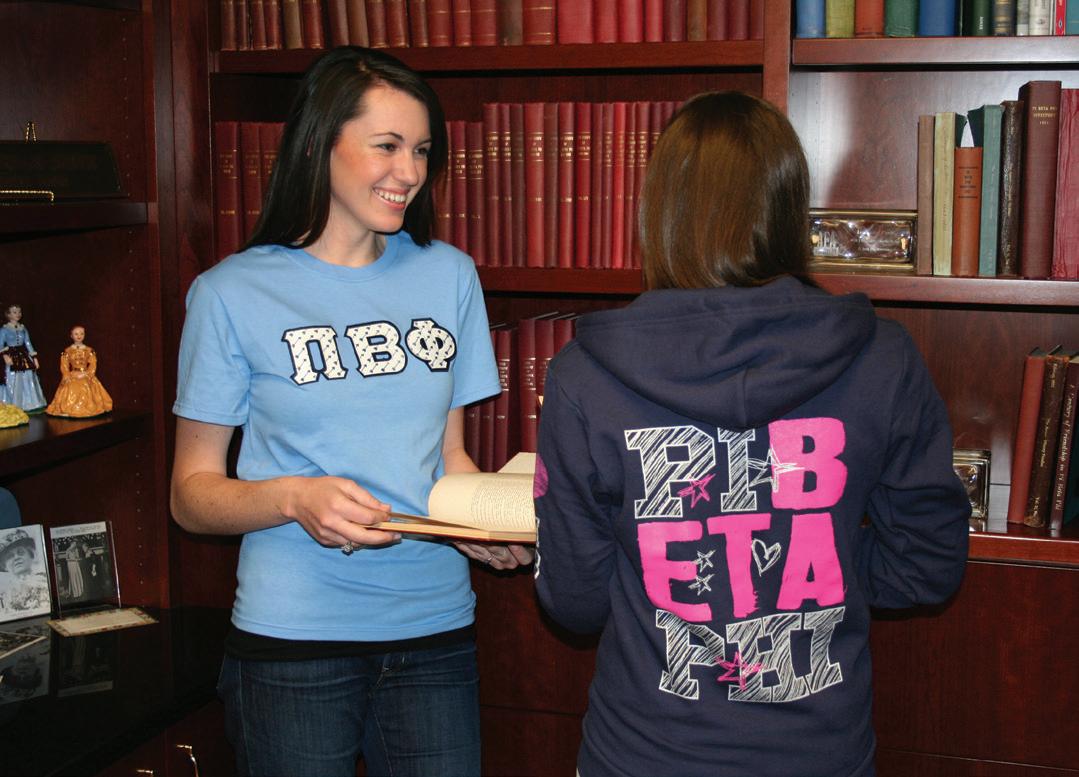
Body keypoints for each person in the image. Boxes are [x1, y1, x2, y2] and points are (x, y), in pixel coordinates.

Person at [532, 91, 971, 777]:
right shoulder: (883, 359)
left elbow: (575, 601)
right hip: (820, 755)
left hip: (644, 754)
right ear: (788, 209)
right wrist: (816, 574)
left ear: (661, 213)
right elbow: (927, 563)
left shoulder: (582, 377)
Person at [170, 45, 533, 777]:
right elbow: (190, 495)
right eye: (386, 146)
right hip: (292, 644)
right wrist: (293, 498)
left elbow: (448, 457)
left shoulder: (450, 275)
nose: (409, 172)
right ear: (317, 144)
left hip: (434, 632)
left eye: (421, 150)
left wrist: (482, 529)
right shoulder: (229, 293)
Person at [46, 325, 114, 418]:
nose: (79, 336)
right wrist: (66, 375)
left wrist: (88, 373)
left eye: (82, 333)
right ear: (71, 336)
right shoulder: (67, 351)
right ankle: (68, 408)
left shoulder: (89, 350)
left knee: (86, 385)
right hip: (73, 374)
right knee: (70, 386)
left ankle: (88, 407)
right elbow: (64, 365)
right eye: (76, 334)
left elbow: (93, 363)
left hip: (85, 374)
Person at [0, 305, 47, 413]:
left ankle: (29, 403)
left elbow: (28, 343)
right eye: (14, 312)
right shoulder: (4, 330)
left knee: (28, 378)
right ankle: (13, 402)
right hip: (11, 356)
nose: (18, 314)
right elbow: (0, 344)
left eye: (19, 312)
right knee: (12, 378)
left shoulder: (23, 328)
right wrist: (5, 356)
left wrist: (34, 358)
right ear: (8, 314)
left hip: (23, 355)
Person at [0, 528, 51, 616]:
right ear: (4, 565)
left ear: (30, 555)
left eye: (20, 552)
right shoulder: (4, 594)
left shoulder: (44, 582)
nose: (16, 557)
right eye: (10, 556)